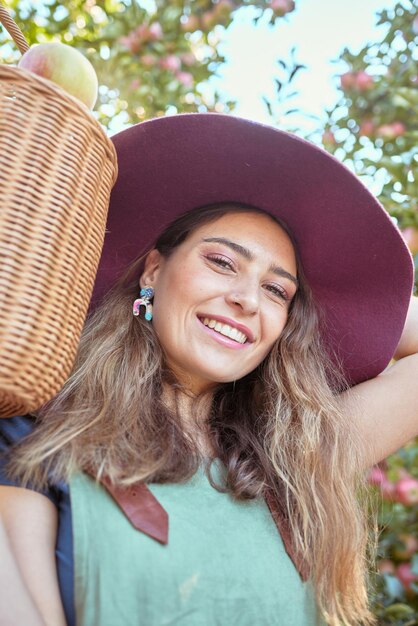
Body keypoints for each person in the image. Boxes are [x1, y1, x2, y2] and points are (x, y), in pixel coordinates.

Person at [0, 113, 417, 626]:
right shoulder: (36, 435)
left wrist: (359, 313)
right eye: (222, 262)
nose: (245, 299)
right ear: (153, 270)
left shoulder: (297, 457)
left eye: (275, 289)